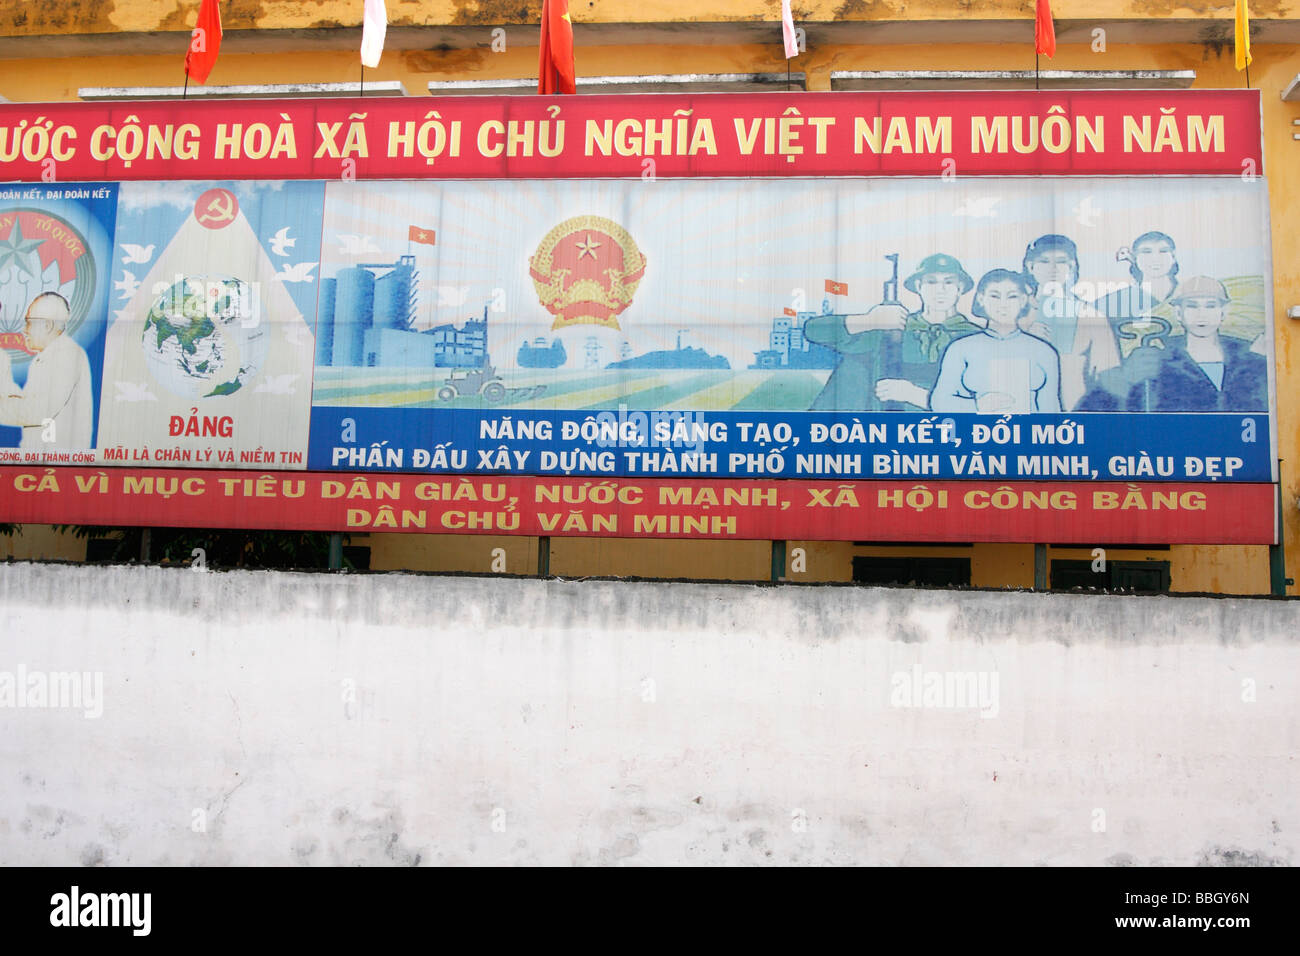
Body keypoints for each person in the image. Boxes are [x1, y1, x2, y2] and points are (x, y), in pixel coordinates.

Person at [1122, 276, 1266, 412]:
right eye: (1192, 306)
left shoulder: (1248, 355)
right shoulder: (1156, 359)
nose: (1201, 315)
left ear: (1223, 312)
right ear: (1178, 313)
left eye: (1210, 306)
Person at [930, 269, 1061, 414]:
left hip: (1027, 433)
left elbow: (1051, 410)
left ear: (1023, 301)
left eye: (1012, 296)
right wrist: (976, 406)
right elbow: (939, 402)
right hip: (975, 433)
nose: (1003, 304)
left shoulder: (1043, 351)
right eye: (994, 296)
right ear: (981, 299)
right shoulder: (960, 348)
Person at [1019, 234, 1120, 410]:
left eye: (1061, 261)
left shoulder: (1090, 315)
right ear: (1030, 266)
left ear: (1072, 266)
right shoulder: (1012, 313)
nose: (1053, 268)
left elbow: (1108, 376)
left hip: (1074, 412)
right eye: (1044, 261)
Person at [873, 253, 980, 409]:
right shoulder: (899, 329)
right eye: (931, 282)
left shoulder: (975, 337)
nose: (940, 290)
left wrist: (912, 394)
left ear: (960, 288)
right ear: (918, 287)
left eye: (949, 282)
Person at [0, 292, 94, 449]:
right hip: (41, 461)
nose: (24, 330)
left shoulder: (67, 355)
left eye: (29, 323)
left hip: (59, 465)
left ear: (47, 325)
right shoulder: (47, 358)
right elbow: (26, 401)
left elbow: (36, 411)